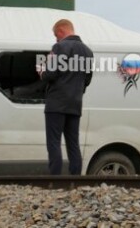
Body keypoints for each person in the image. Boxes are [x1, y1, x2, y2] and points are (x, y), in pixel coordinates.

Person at [39, 19, 93, 175]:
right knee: (73, 143)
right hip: (75, 104)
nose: (55, 39)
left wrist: (42, 72)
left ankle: (55, 178)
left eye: (56, 35)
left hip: (56, 103)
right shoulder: (88, 52)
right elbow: (87, 80)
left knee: (54, 142)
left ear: (61, 31)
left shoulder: (60, 47)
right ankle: (75, 178)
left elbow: (51, 73)